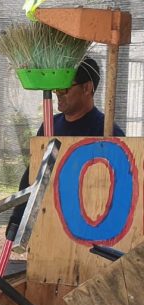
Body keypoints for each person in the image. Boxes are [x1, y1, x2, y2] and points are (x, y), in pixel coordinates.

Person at [7, 56, 124, 234]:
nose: (57, 93)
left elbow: (120, 189)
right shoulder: (49, 125)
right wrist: (18, 216)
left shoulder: (107, 132)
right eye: (56, 88)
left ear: (87, 88)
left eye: (64, 87)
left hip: (89, 227)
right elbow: (33, 174)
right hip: (48, 223)